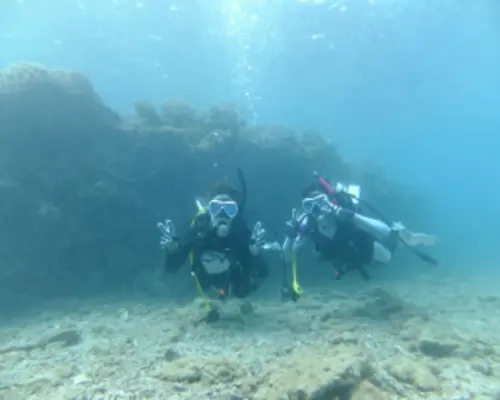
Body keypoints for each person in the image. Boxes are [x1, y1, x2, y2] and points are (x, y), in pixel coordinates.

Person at [281, 173, 437, 300]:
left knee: (392, 247)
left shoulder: (343, 215)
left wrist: (353, 217)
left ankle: (412, 237)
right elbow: (288, 258)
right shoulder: (308, 224)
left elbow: (383, 231)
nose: (317, 210)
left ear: (330, 201)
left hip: (374, 252)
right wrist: (289, 237)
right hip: (350, 261)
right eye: (309, 205)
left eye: (321, 203)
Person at [157, 176, 269, 322]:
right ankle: (214, 298)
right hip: (205, 280)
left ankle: (233, 295)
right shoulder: (199, 229)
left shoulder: (240, 231)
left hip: (233, 278)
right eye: (216, 208)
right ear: (209, 210)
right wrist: (172, 250)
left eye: (229, 209)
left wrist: (254, 255)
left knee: (243, 290)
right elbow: (171, 268)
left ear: (235, 212)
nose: (222, 214)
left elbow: (261, 271)